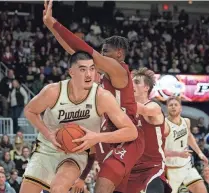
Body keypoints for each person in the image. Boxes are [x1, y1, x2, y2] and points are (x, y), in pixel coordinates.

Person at [43, 1, 144, 192]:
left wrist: (55, 23)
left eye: (106, 52)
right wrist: (50, 27)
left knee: (102, 185)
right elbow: (75, 52)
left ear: (119, 53)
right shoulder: (103, 75)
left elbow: (85, 50)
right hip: (109, 137)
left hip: (127, 137)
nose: (102, 55)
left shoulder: (120, 70)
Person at [20, 51, 138, 193]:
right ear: (71, 72)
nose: (89, 74)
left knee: (58, 188)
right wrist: (49, 134)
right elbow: (30, 111)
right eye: (83, 69)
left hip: (77, 152)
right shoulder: (53, 91)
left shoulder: (102, 97)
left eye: (92, 68)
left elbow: (131, 131)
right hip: (47, 148)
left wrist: (97, 137)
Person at [113, 68, 171, 193]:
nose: (132, 85)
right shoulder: (126, 112)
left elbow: (144, 111)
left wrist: (115, 97)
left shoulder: (153, 106)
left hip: (152, 167)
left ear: (146, 87)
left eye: (137, 82)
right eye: (131, 82)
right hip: (130, 167)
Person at [165, 96, 209, 193]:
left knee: (202, 190)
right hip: (171, 169)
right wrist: (178, 154)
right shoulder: (164, 125)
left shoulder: (186, 121)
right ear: (167, 108)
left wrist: (200, 153)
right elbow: (159, 150)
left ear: (180, 108)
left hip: (186, 166)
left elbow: (189, 136)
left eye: (175, 105)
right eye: (170, 105)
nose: (173, 107)